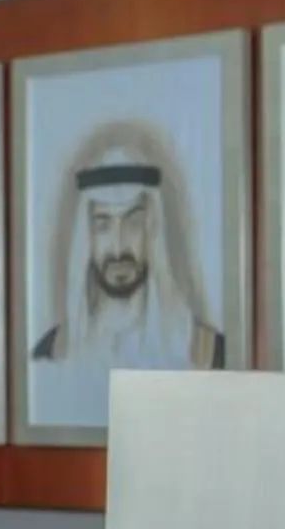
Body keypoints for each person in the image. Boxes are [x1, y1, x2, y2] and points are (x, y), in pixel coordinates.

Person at [28, 130, 224, 418]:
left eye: (133, 221)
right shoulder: (52, 352)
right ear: (87, 237)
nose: (118, 248)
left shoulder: (208, 352)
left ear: (152, 229)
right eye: (103, 224)